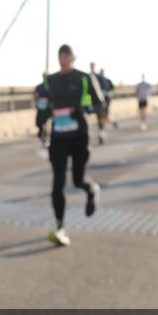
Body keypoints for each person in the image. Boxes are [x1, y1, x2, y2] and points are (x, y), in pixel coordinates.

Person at [44, 45, 103, 247]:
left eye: (66, 56)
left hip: (79, 137)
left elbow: (100, 104)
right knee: (57, 181)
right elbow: (45, 105)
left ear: (72, 58)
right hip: (58, 137)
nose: (63, 60)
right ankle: (60, 226)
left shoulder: (84, 78)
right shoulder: (51, 80)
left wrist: (83, 109)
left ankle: (91, 190)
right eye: (60, 56)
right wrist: (40, 124)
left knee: (77, 180)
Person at [34, 73, 51, 147]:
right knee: (38, 123)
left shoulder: (51, 86)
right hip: (40, 108)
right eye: (44, 76)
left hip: (48, 108)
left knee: (45, 123)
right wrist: (36, 97)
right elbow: (35, 95)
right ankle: (42, 134)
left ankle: (45, 137)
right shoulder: (39, 86)